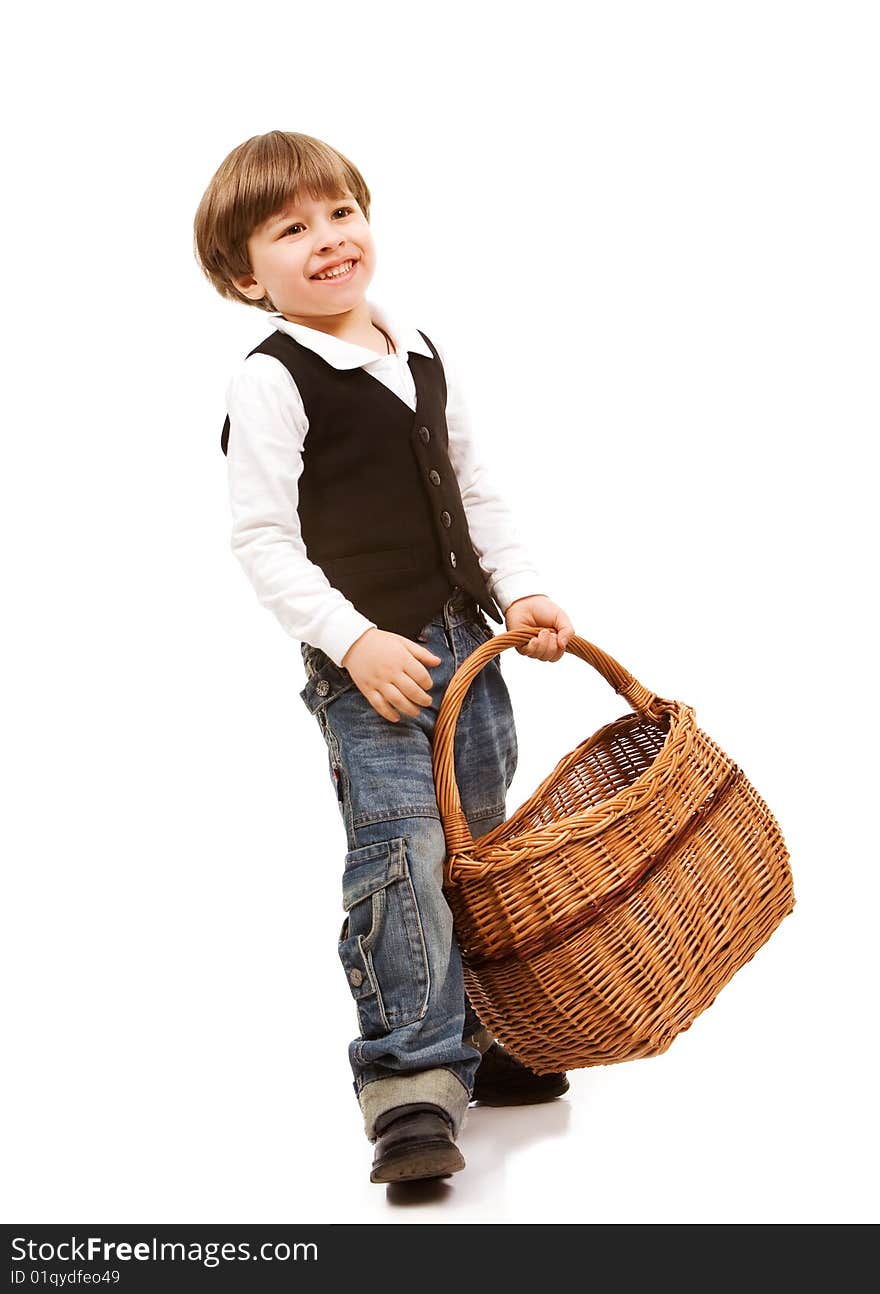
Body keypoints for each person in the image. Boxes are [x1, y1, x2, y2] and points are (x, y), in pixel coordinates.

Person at [193, 130, 576, 1185]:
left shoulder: (418, 349)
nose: (327, 240)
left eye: (340, 214)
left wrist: (521, 587)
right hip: (374, 664)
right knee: (399, 857)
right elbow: (262, 540)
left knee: (479, 846)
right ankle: (409, 1077)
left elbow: (476, 486)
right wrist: (354, 641)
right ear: (245, 276)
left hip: (469, 647)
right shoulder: (272, 381)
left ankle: (490, 1036)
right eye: (291, 229)